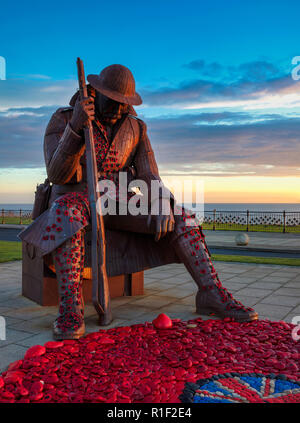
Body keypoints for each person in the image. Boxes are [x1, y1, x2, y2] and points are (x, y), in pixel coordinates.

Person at [20, 64, 258, 340]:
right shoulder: (63, 119)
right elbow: (56, 173)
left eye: (125, 103)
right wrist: (75, 126)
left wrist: (159, 201)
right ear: (95, 93)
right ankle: (71, 306)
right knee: (67, 213)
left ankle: (211, 293)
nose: (121, 109)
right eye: (115, 101)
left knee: (183, 216)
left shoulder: (136, 128)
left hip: (119, 200)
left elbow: (148, 174)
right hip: (76, 197)